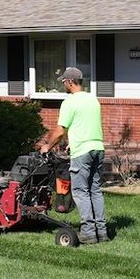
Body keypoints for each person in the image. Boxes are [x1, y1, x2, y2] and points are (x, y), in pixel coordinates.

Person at [43, 66, 109, 244]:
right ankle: (101, 231)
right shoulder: (92, 99)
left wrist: (47, 147)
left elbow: (59, 131)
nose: (63, 83)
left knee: (80, 191)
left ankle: (88, 231)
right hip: (98, 148)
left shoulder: (69, 102)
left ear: (70, 82)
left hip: (82, 152)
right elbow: (85, 124)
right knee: (95, 190)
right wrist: (72, 141)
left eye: (64, 81)